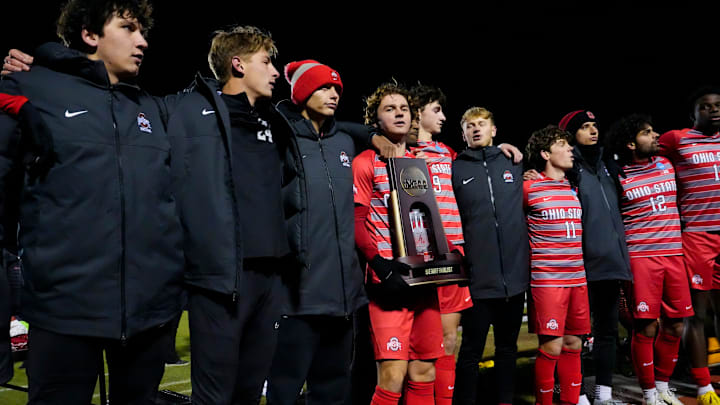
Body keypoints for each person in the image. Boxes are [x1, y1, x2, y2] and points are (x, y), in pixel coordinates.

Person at [0, 0, 186, 403]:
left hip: (149, 316)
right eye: (129, 28)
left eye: (143, 31)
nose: (143, 42)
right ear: (90, 34)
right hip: (64, 311)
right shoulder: (33, 87)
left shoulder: (150, 108)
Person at [265, 60, 368, 405]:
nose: (334, 94)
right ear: (303, 91)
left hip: (343, 293)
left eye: (337, 89)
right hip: (299, 293)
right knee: (285, 386)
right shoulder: (281, 136)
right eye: (324, 87)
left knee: (335, 386)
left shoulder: (344, 141)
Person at [353, 82, 445, 405]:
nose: (399, 114)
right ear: (375, 121)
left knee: (424, 371)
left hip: (425, 279)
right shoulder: (365, 161)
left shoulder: (424, 162)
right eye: (389, 109)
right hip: (389, 282)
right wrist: (379, 265)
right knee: (392, 375)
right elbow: (356, 223)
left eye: (404, 108)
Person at [605, 114, 691, 405]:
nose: (656, 136)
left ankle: (665, 386)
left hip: (674, 254)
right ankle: (648, 393)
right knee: (646, 327)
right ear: (630, 143)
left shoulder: (668, 164)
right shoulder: (617, 175)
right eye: (647, 133)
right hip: (641, 257)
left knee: (676, 324)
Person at [451, 107, 529, 405]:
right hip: (478, 280)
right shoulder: (455, 168)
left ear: (494, 130)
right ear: (463, 134)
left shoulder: (513, 162)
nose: (476, 129)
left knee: (507, 349)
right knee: (471, 350)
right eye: (469, 126)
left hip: (514, 278)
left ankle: (505, 401)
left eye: (482, 124)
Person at [557, 110, 633, 405]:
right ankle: (571, 393)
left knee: (608, 332)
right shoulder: (567, 167)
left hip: (610, 263)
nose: (592, 131)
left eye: (594, 126)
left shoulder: (608, 164)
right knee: (573, 336)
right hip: (579, 265)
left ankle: (603, 393)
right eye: (584, 127)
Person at [406, 84, 471, 405]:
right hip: (419, 257)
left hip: (452, 254)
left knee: (448, 340)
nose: (443, 116)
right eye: (436, 110)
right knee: (419, 346)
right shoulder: (401, 152)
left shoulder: (448, 153)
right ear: (417, 112)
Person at [658, 86, 720, 405]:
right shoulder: (677, 139)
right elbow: (638, 150)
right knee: (696, 312)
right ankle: (702, 385)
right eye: (706, 107)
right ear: (693, 114)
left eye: (718, 105)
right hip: (697, 236)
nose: (714, 110)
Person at [524, 125, 590, 405]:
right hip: (547, 280)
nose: (570, 149)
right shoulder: (528, 187)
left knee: (574, 345)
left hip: (577, 278)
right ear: (545, 153)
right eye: (562, 145)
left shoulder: (573, 187)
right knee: (551, 346)